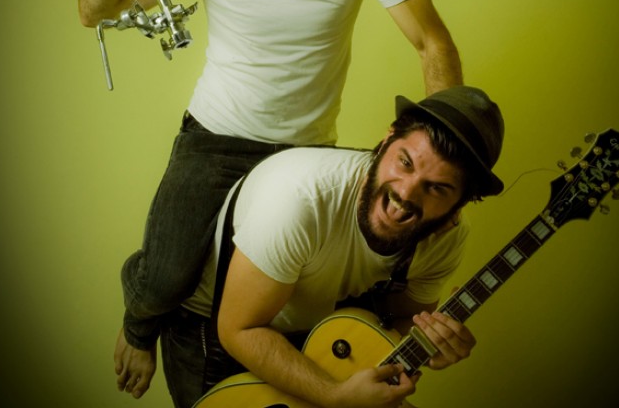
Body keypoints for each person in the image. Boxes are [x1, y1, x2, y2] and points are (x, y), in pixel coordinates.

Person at [77, 0, 464, 401]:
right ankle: (141, 321)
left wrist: (448, 160)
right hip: (217, 135)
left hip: (308, 150)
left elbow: (432, 41)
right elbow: (97, 9)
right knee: (167, 279)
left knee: (316, 296)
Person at [155, 85, 505, 408]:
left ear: (457, 207)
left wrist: (428, 344)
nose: (405, 193)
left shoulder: (446, 238)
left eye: (437, 188)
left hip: (315, 334)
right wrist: (333, 395)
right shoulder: (298, 199)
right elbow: (238, 330)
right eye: (405, 162)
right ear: (385, 141)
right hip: (216, 332)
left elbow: (398, 319)